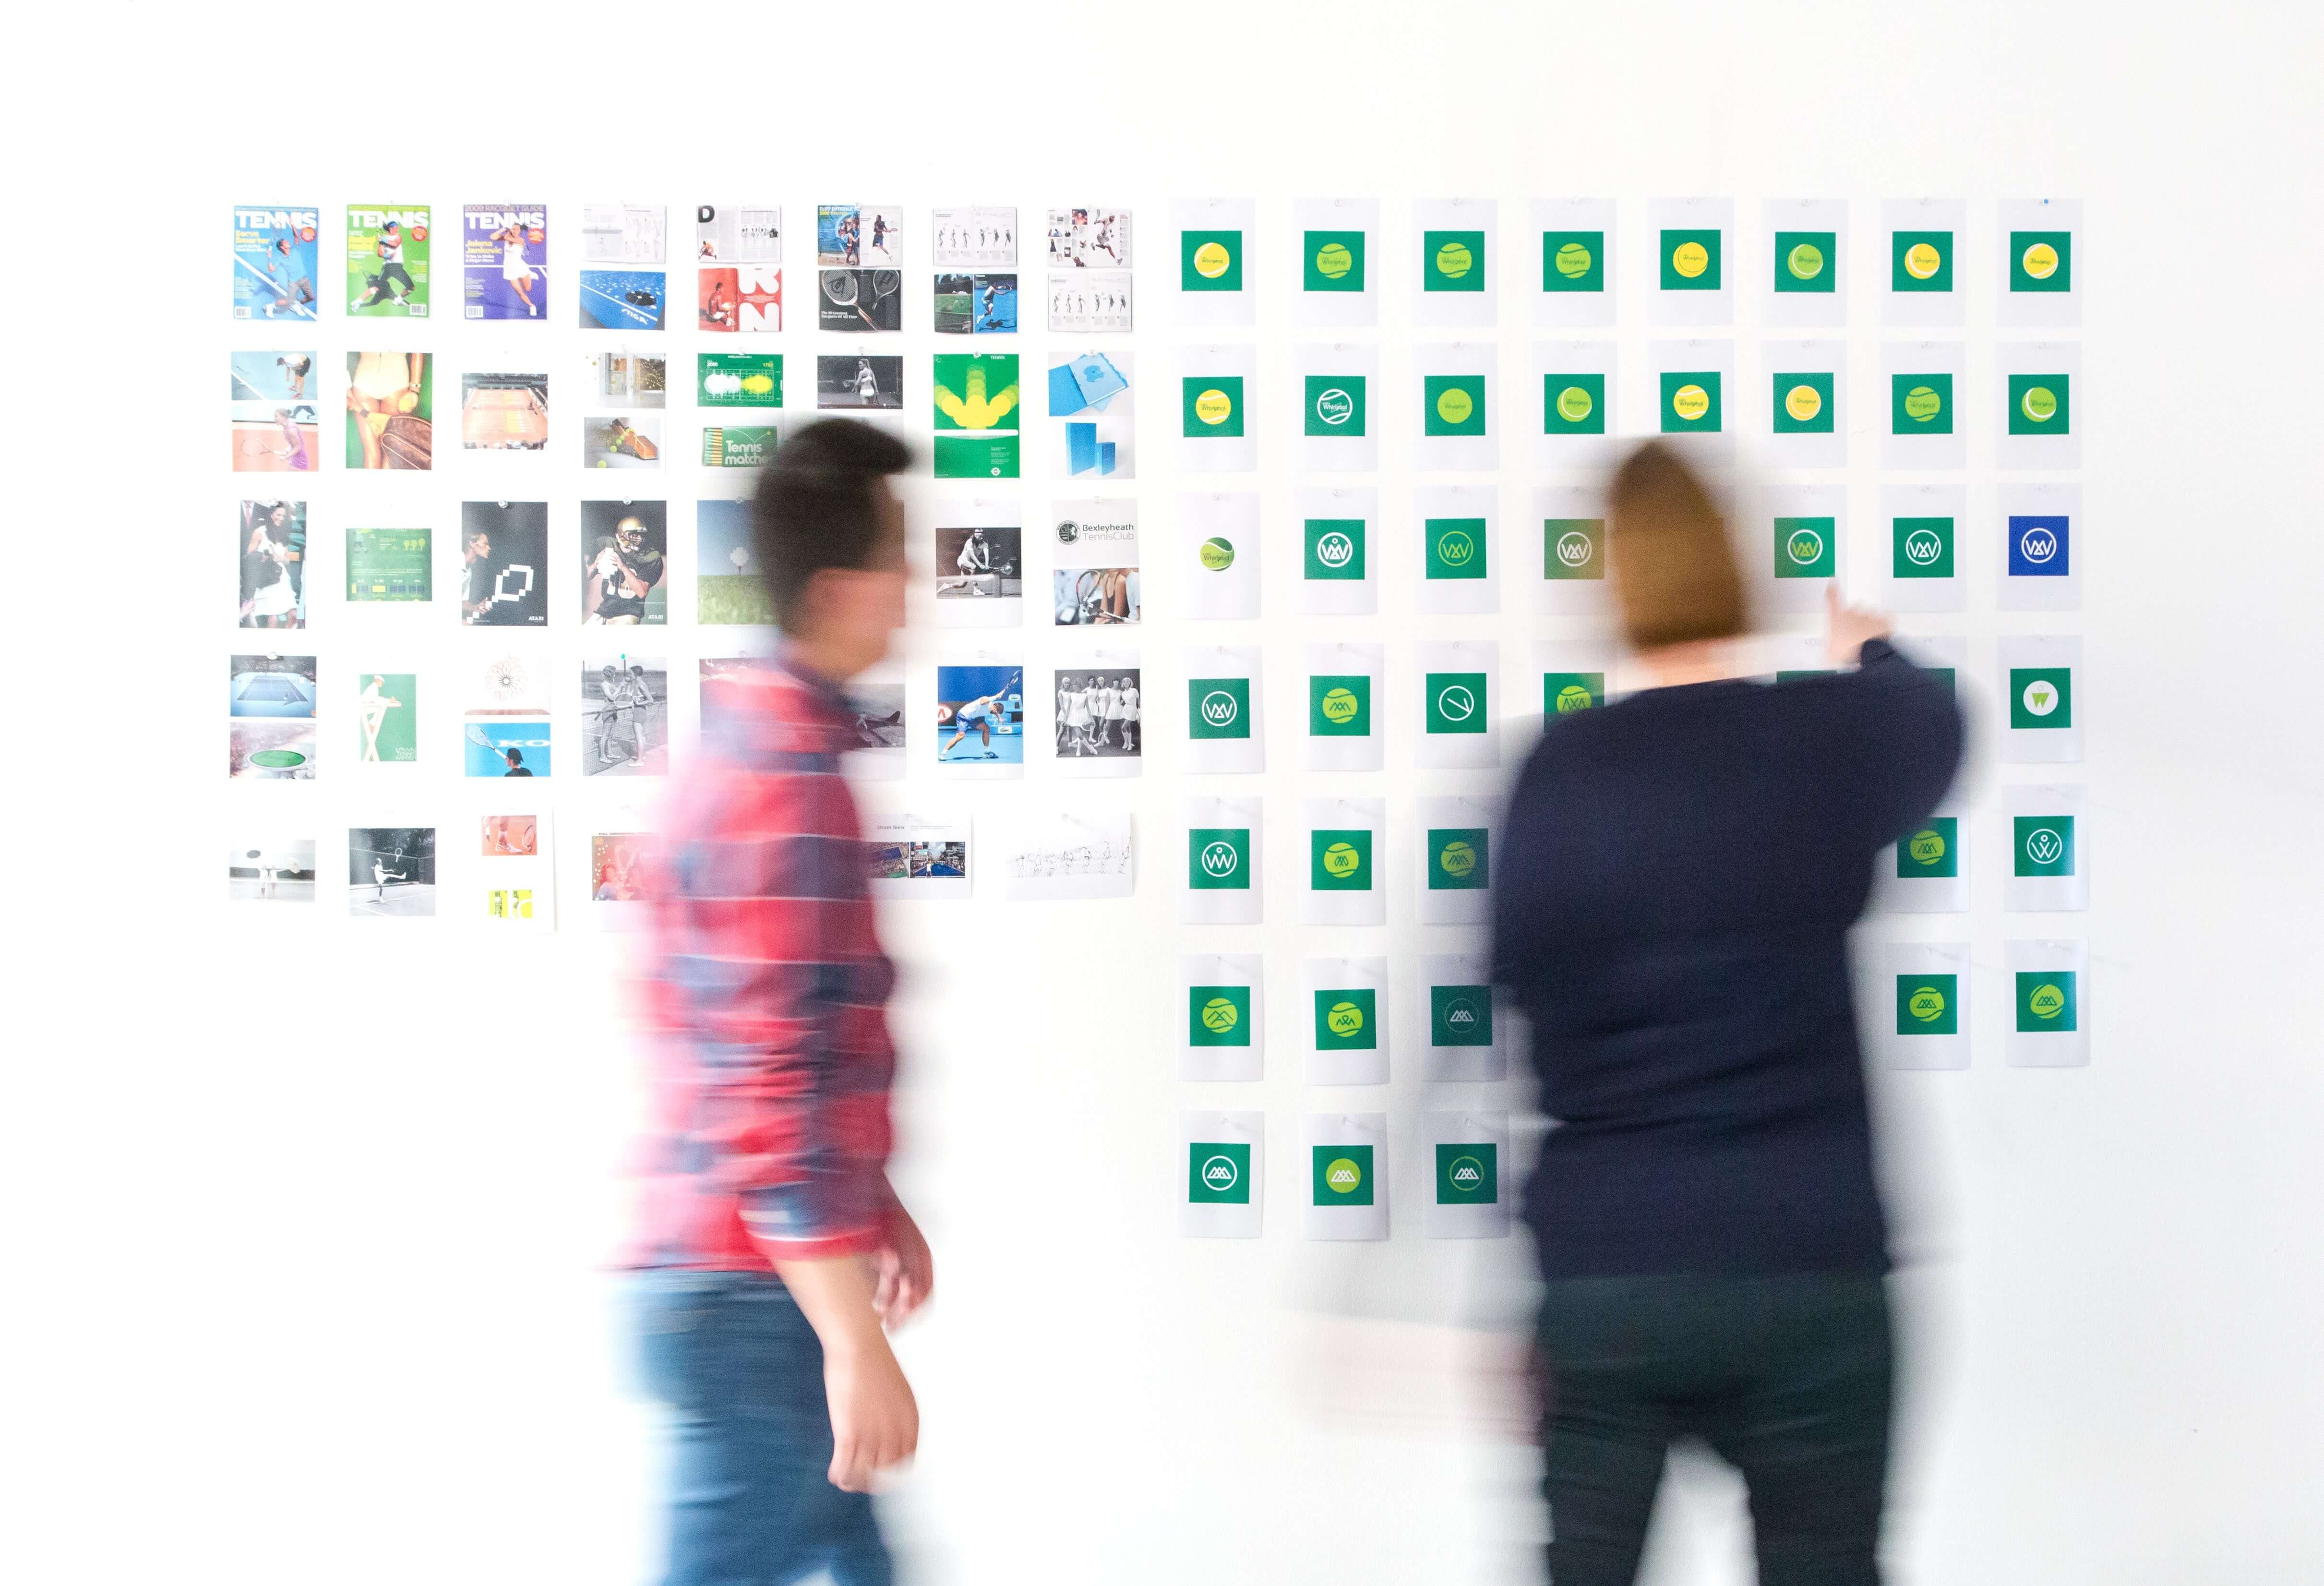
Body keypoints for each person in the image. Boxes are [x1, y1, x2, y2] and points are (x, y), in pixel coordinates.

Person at [1492, 441, 1964, 1586]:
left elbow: (1515, 983)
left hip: (1613, 1271)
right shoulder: (1823, 738)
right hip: (1809, 1258)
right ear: (1735, 566)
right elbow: (1937, 724)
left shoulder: (1560, 770)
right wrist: (1869, 650)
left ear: (1614, 583)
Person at [631, 419, 927, 1586]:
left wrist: (873, 1202)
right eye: (902, 553)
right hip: (749, 1298)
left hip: (755, 1281)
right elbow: (764, 1079)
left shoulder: (771, 744)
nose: (915, 581)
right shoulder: (784, 777)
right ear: (843, 586)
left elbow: (788, 1040)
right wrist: (852, 1335)